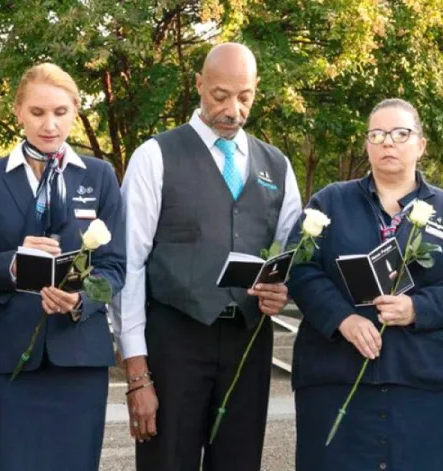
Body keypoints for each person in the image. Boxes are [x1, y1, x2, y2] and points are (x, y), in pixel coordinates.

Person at [111, 43, 302, 470]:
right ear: (198, 85)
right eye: (220, 95)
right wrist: (137, 372)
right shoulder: (155, 156)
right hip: (173, 340)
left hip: (249, 343)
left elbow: (292, 255)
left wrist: (281, 292)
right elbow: (130, 266)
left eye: (244, 97)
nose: (232, 109)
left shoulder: (279, 165)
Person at [286, 98, 443, 470]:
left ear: (421, 144)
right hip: (338, 379)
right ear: (366, 144)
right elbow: (300, 267)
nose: (388, 143)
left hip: (429, 387)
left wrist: (419, 308)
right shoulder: (330, 202)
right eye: (377, 134)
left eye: (401, 133)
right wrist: (342, 319)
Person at [0, 63, 126, 471]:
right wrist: (11, 264)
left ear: (75, 111)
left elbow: (115, 268)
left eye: (60, 112)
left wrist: (81, 300)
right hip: (10, 356)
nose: (49, 125)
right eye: (37, 113)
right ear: (17, 111)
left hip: (79, 355)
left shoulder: (100, 176)